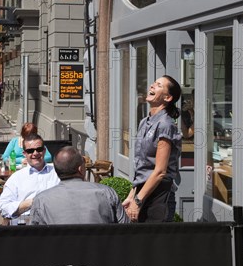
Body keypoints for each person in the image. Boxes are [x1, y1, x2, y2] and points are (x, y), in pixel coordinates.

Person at [123, 75, 182, 223]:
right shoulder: (145, 122)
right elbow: (143, 168)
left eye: (159, 85)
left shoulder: (165, 125)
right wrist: (131, 196)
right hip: (143, 193)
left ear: (168, 98)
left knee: (155, 245)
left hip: (159, 196)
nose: (152, 86)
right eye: (154, 83)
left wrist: (137, 201)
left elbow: (160, 171)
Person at [30, 146, 130, 225]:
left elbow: (36, 239)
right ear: (80, 169)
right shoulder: (107, 193)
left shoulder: (41, 200)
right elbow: (126, 231)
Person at [0, 134, 59, 225]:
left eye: (39, 149)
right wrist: (29, 203)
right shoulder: (16, 178)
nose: (35, 153)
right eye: (30, 151)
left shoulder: (58, 173)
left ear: (44, 151)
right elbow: (4, 208)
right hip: (25, 224)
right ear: (24, 154)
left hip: (54, 221)